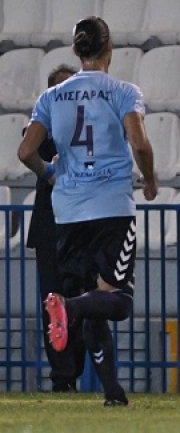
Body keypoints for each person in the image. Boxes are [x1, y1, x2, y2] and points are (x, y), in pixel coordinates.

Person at [17, 16, 158, 406]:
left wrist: (49, 173)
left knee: (96, 299)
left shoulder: (51, 97)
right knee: (118, 301)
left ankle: (113, 393)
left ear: (77, 51)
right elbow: (140, 143)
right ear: (109, 48)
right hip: (111, 207)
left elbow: (26, 152)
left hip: (67, 211)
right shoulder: (122, 91)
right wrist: (149, 179)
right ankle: (67, 308)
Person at [24, 64, 85, 393]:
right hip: (50, 230)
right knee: (53, 304)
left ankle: (75, 369)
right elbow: (33, 150)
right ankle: (63, 379)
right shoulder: (40, 126)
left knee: (82, 303)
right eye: (60, 89)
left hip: (82, 226)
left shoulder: (87, 126)